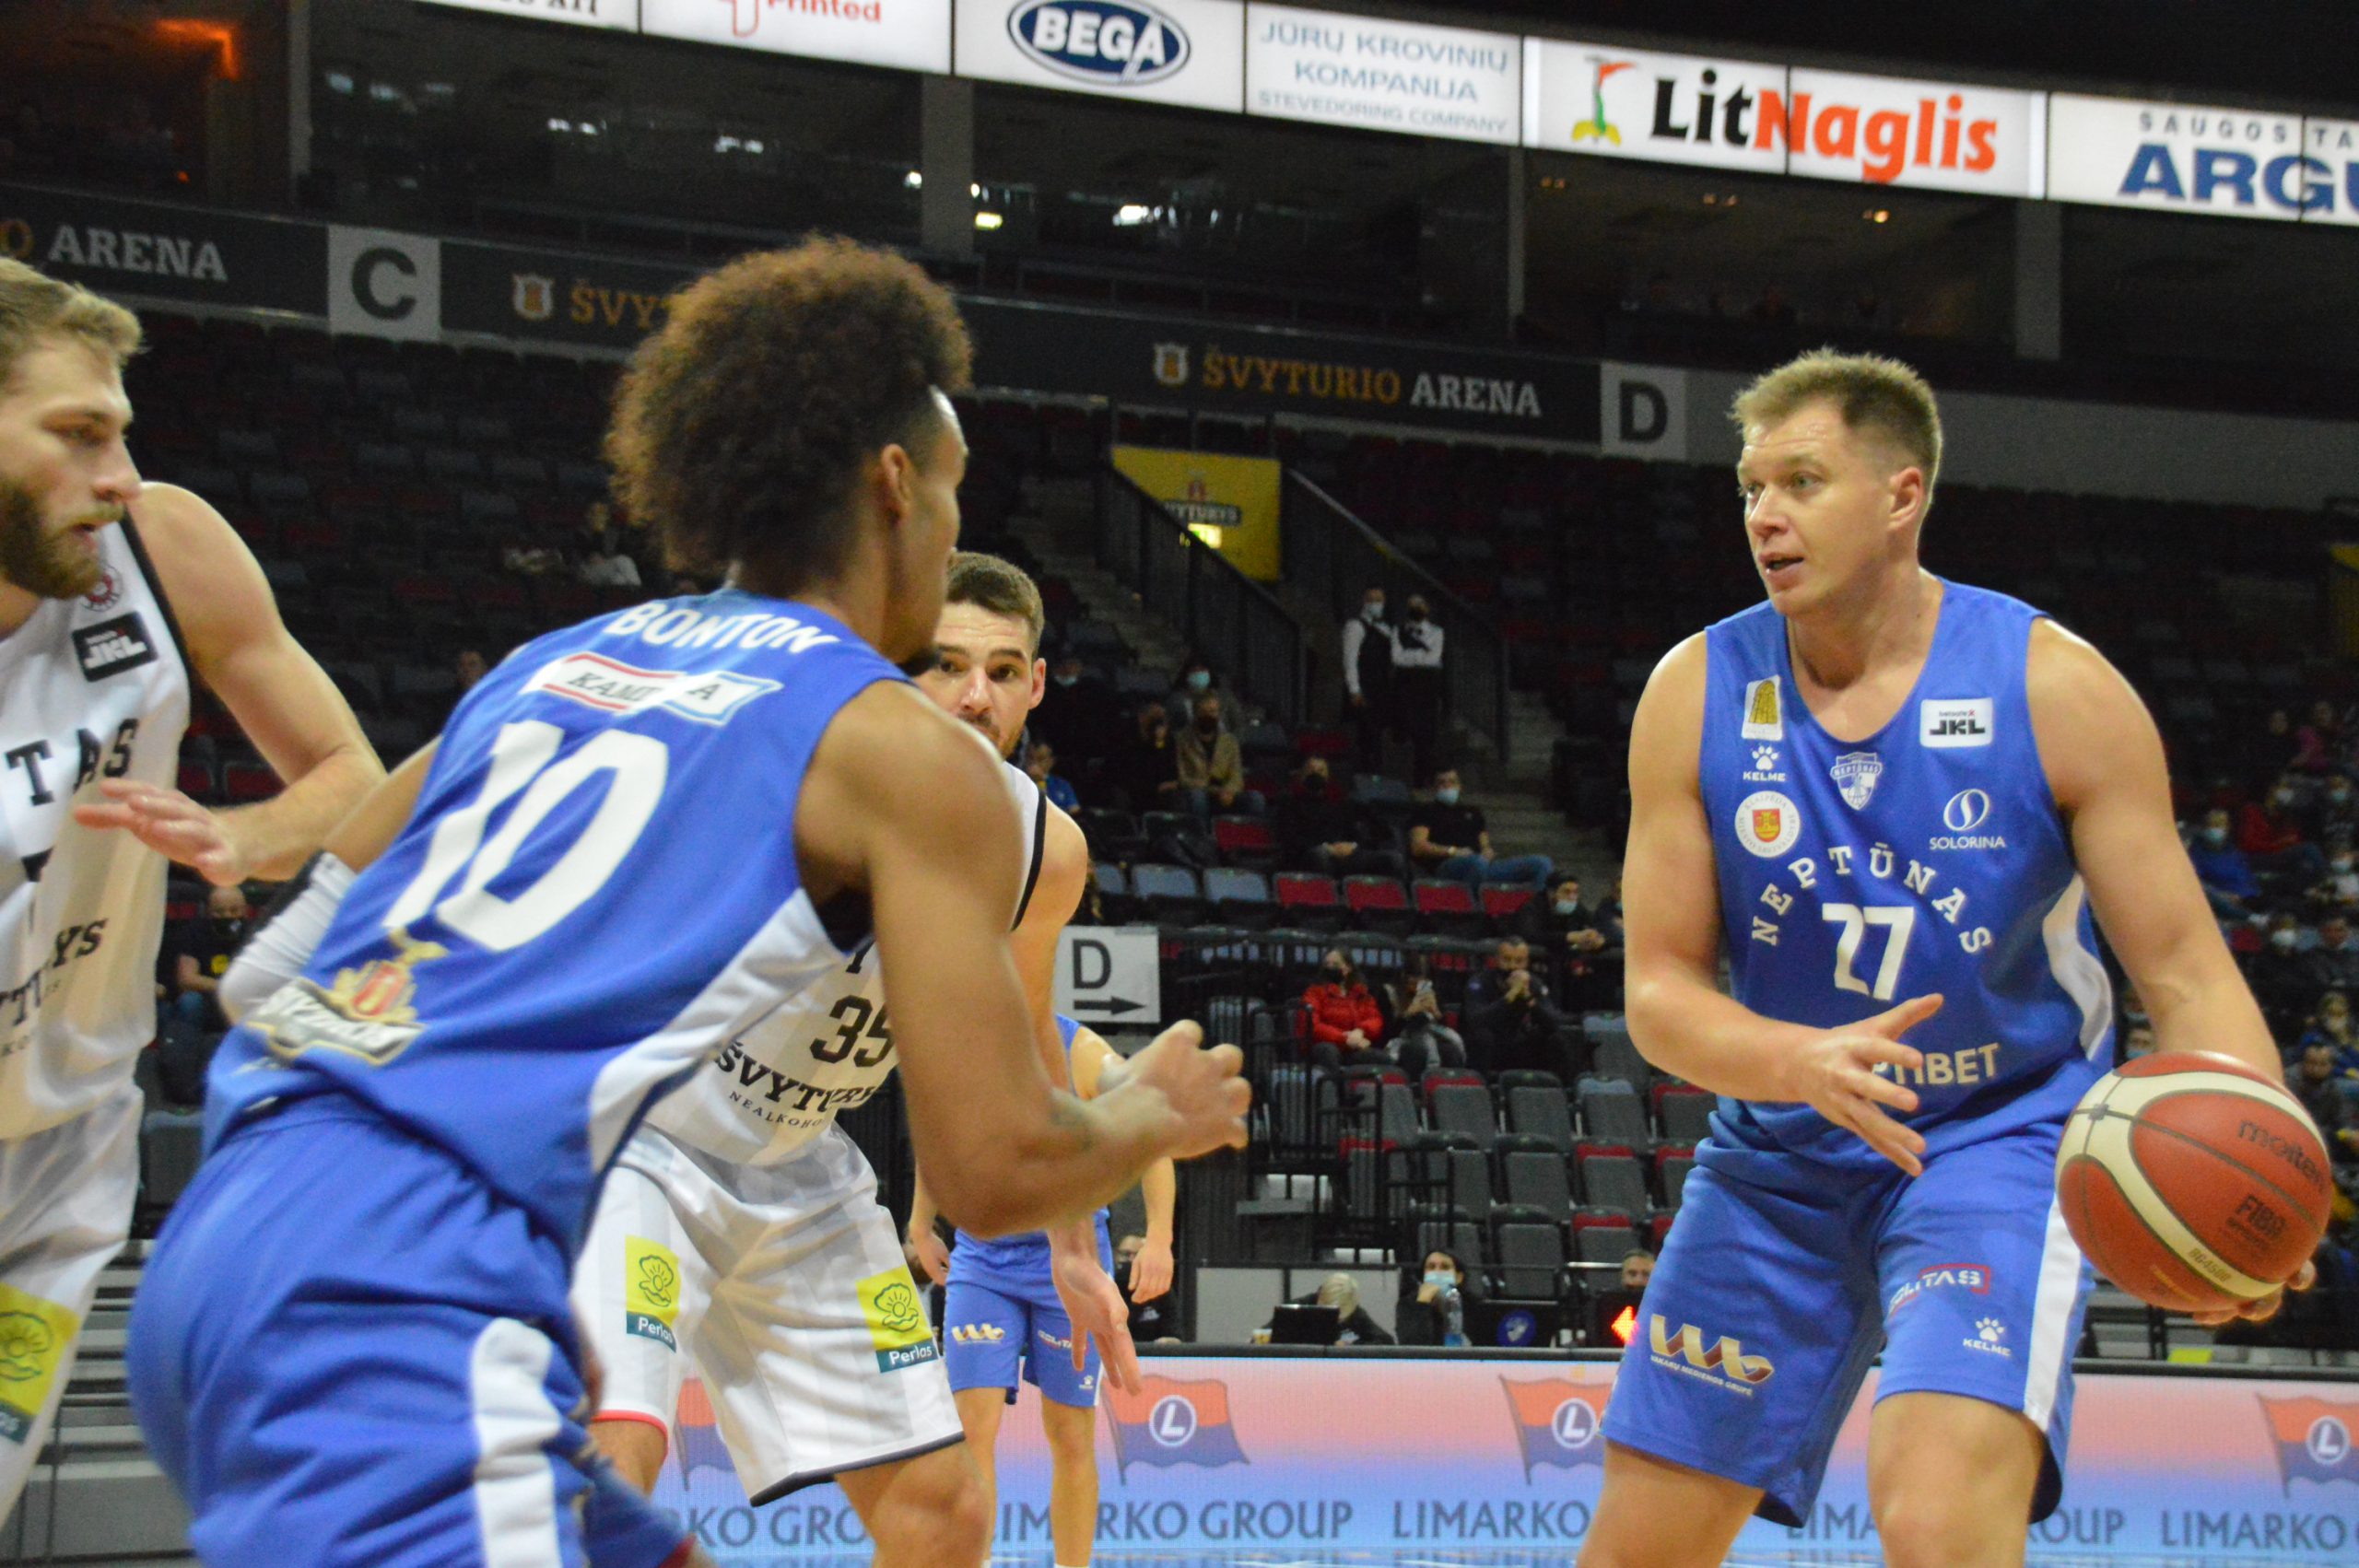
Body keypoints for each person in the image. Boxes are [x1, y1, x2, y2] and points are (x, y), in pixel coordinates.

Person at [125, 240, 1250, 1568]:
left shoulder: (559, 659)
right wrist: (1148, 1114)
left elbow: (294, 954)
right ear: (895, 485)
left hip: (241, 1210)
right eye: (954, 488)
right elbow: (989, 1171)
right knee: (618, 1437)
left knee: (913, 1508)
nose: (955, 527)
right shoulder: (900, 749)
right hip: (411, 1270)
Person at [1583, 350, 2305, 1568]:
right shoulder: (1694, 690)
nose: (1764, 515)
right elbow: (1657, 994)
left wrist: (2257, 1181)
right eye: (1750, 487)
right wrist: (1793, 1060)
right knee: (1636, 1553)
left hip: (1998, 1136)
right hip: (1780, 1152)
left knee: (1934, 1522)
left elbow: (2185, 971)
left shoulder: (2056, 688)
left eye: (1801, 481)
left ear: (1901, 494)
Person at [0, 258, 382, 1525]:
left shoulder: (162, 547)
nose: (118, 472)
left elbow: (350, 779)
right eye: (78, 434)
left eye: (120, 431)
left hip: (61, 1156)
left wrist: (239, 835)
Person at [908, 1013, 1177, 1568]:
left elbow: (1151, 1134)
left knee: (1070, 1433)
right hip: (984, 1257)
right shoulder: (962, 1046)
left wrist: (1159, 1238)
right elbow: (938, 1138)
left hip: (1074, 1260)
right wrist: (919, 1224)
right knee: (973, 1427)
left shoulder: (1082, 1051)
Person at [1408, 767, 1554, 887]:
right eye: (1442, 783)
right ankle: (1472, 905)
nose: (1447, 786)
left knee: (1542, 863)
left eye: (1452, 782)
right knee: (1477, 863)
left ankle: (1534, 907)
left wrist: (1487, 851)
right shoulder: (1425, 811)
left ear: (1459, 786)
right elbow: (1418, 846)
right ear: (1434, 787)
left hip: (1482, 864)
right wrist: (1453, 851)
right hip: (1448, 864)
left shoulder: (1473, 812)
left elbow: (1484, 843)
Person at [1274, 755, 1403, 879]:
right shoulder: (1289, 804)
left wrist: (1353, 845)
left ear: (1328, 776)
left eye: (1321, 770)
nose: (1316, 774)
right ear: (1301, 775)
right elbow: (1291, 840)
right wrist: (1328, 848)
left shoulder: (1342, 804)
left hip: (1346, 853)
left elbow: (1363, 832)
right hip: (1309, 855)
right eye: (1311, 770)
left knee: (1394, 859)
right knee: (1320, 855)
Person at [1520, 873, 1614, 1011]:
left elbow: (1599, 928)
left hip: (1568, 966)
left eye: (1575, 892)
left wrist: (1600, 940)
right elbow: (1530, 935)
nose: (1572, 897)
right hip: (1541, 966)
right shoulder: (1532, 907)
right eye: (1566, 892)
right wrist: (1569, 937)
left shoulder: (1576, 908)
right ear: (1551, 892)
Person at [1390, 593, 1446, 782]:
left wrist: (1410, 656)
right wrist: (1421, 655)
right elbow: (1397, 658)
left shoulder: (1437, 632)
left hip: (1427, 685)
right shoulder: (1398, 630)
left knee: (1426, 733)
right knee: (1404, 730)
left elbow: (1433, 658)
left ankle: (1424, 777)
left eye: (1420, 604)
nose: (1417, 608)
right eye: (1413, 605)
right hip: (1405, 684)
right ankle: (1404, 777)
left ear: (1427, 608)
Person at [1304, 948, 1387, 1071]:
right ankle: (1334, 1083)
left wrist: (1360, 1031)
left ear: (1348, 968)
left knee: (1382, 1059)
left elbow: (1375, 1019)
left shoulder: (1360, 993)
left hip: (1353, 1047)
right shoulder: (1314, 992)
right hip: (1325, 1046)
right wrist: (1344, 1038)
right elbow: (1312, 1025)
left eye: (1335, 964)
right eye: (1327, 964)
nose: (1330, 968)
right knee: (1328, 1051)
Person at [1387, 957, 1469, 1080]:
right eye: (1414, 981)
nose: (1418, 985)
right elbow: (1389, 1031)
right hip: (1403, 1037)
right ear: (1404, 977)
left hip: (1431, 1033)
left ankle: (1452, 1084)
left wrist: (1435, 1011)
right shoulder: (1390, 993)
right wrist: (1410, 1012)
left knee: (1451, 1050)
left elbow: (1442, 1025)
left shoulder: (1431, 992)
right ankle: (1420, 1085)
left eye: (1423, 981)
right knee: (1418, 1049)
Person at [1340, 585, 1393, 771]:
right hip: (1364, 688)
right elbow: (1350, 660)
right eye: (1372, 600)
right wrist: (1354, 689)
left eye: (1380, 600)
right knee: (1364, 735)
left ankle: (1376, 772)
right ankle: (1362, 771)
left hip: (1380, 689)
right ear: (1364, 602)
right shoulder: (1355, 626)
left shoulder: (1385, 629)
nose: (1376, 604)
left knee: (1377, 735)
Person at [1174, 692, 1251, 818]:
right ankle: (1201, 830)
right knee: (1197, 797)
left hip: (1225, 793)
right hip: (1197, 791)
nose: (1208, 715)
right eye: (1203, 711)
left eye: (1212, 711)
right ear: (1195, 713)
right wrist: (1211, 789)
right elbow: (1182, 778)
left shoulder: (1230, 741)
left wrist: (1228, 791)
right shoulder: (1181, 740)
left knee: (1255, 799)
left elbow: (1236, 777)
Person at [1264, 1272, 1393, 1346]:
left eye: (1341, 1317)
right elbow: (1264, 1337)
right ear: (1320, 1296)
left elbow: (1386, 1341)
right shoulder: (1295, 1310)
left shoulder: (1355, 1315)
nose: (1337, 1320)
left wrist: (1352, 1348)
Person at [1104, 699, 1180, 814]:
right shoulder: (1124, 735)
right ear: (1142, 716)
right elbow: (1122, 770)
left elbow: (1168, 767)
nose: (1159, 721)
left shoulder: (1166, 739)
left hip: (1157, 786)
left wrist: (1159, 743)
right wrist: (1153, 788)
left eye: (1162, 717)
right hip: (1130, 785)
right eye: (1155, 716)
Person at [1396, 1249, 1479, 1346]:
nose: (1437, 1272)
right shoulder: (1408, 1304)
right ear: (1423, 1276)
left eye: (1445, 1267)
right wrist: (1422, 1304)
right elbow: (1411, 1345)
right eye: (1431, 1267)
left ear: (1458, 1277)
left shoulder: (1474, 1304)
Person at [1114, 1233, 1179, 1343]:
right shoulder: (1107, 1288)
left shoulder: (1161, 1289)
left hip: (1151, 1352)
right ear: (1116, 1256)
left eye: (1137, 1255)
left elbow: (1174, 1336)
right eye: (1126, 1254)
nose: (1131, 1260)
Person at [1026, 738, 1080, 813]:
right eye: (1030, 758)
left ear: (1051, 762)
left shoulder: (1062, 785)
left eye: (1041, 759)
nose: (1034, 763)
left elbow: (1075, 811)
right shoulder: (1018, 783)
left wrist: (1041, 781)